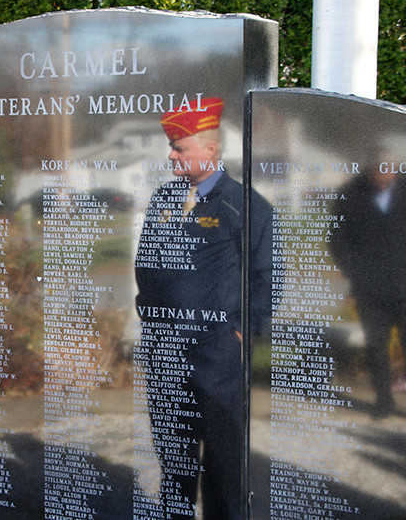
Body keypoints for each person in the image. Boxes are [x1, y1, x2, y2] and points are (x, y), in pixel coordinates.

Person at [134, 98, 274, 519]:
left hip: (216, 352)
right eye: (171, 147)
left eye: (179, 147)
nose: (171, 155)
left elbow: (266, 276)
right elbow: (146, 263)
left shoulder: (245, 205)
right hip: (165, 347)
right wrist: (150, 317)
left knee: (223, 457)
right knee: (173, 453)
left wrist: (240, 333)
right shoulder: (164, 198)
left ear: (210, 149)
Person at [330, 157, 406, 425]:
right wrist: (355, 272)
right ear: (369, 173)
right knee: (376, 349)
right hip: (370, 291)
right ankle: (383, 402)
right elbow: (338, 240)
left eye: (387, 177)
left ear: (395, 172)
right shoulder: (350, 195)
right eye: (377, 178)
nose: (382, 183)